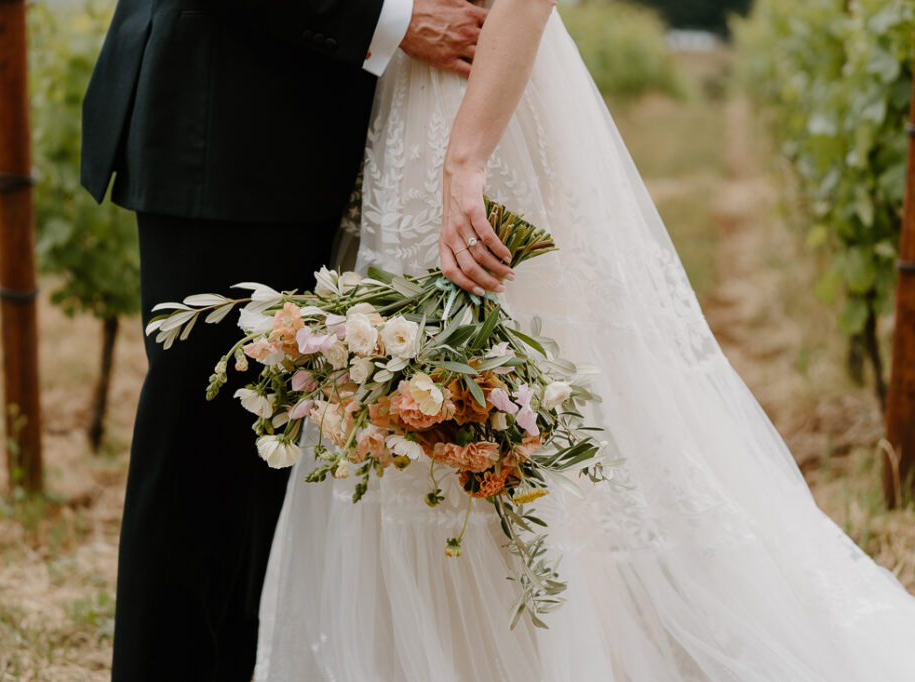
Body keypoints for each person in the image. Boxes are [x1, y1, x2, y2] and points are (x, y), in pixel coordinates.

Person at [255, 0, 915, 679]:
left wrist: (466, 158)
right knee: (410, 415)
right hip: (406, 99)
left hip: (477, 100)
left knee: (507, 393)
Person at [78, 0, 488, 679]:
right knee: (200, 465)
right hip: (230, 123)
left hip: (321, 131)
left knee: (274, 473)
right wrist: (387, 19)